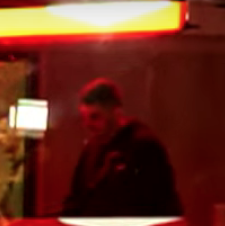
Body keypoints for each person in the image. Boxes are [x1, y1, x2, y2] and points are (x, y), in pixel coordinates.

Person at [60, 78, 182, 217]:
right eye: (85, 118)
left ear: (114, 110)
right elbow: (77, 198)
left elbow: (159, 202)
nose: (88, 125)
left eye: (95, 117)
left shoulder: (144, 147)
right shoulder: (91, 150)